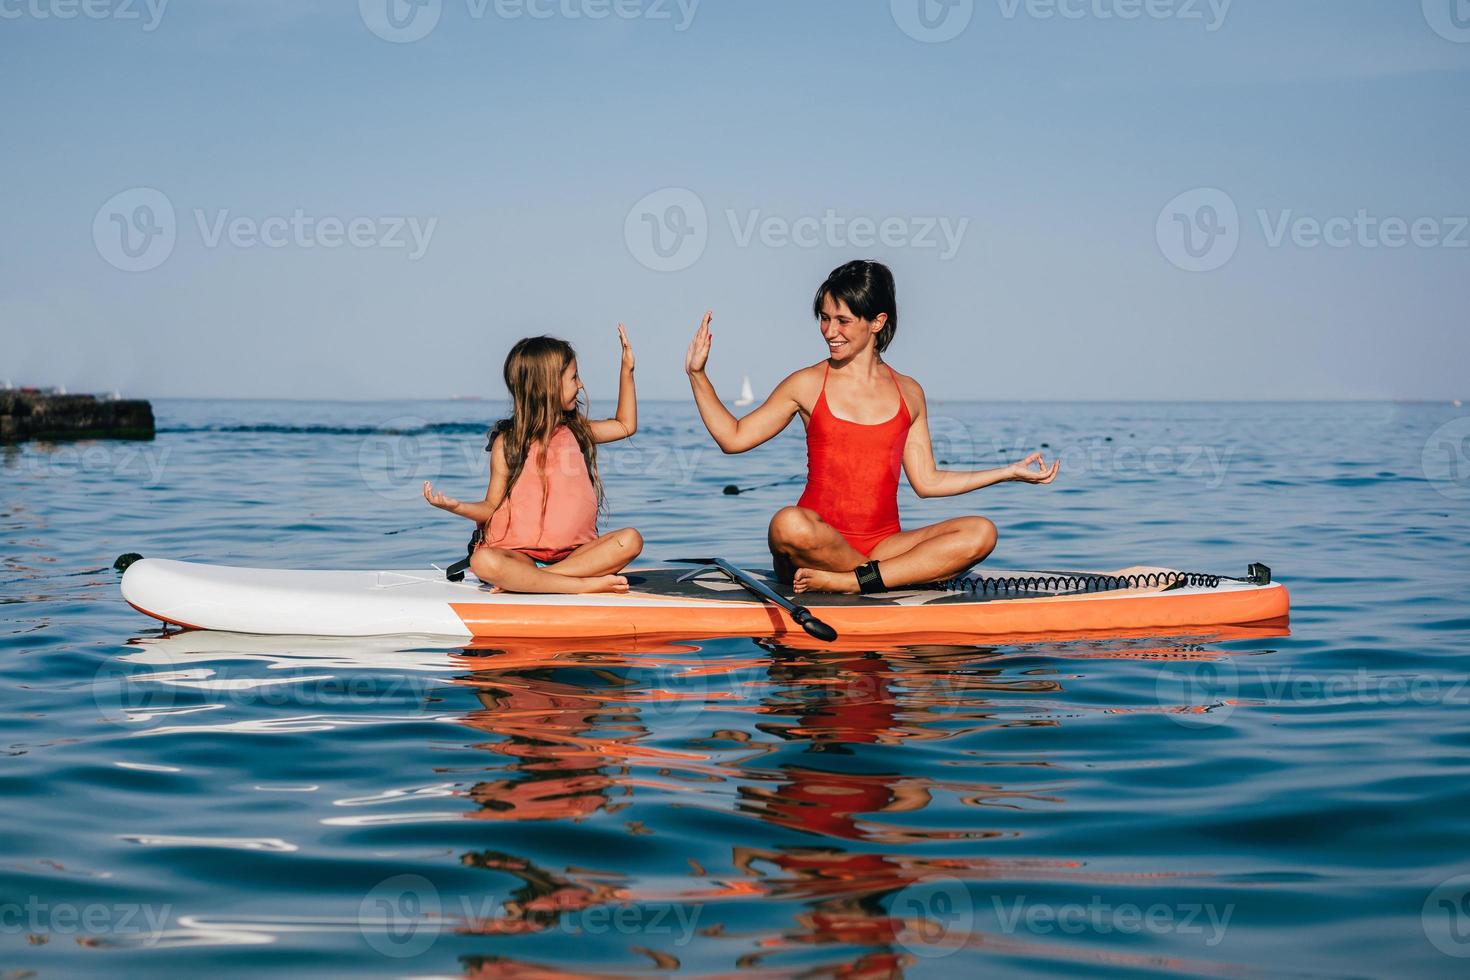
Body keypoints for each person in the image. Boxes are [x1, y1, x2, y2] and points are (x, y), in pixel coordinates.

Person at [685, 260, 1059, 594]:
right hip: (815, 545)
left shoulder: (909, 392)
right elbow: (733, 439)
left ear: (877, 322)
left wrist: (1006, 473)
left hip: (883, 546)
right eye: (824, 318)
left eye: (843, 320)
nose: (830, 330)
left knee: (981, 532)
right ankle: (892, 577)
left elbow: (927, 483)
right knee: (787, 525)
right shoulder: (807, 383)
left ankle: (854, 581)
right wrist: (698, 375)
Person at [424, 328, 642, 594]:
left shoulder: (577, 432)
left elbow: (625, 425)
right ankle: (579, 585)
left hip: (575, 558)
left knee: (630, 540)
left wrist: (627, 370)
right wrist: (456, 506)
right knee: (483, 561)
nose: (581, 385)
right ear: (548, 386)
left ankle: (533, 580)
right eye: (574, 378)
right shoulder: (509, 442)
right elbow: (491, 507)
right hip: (520, 557)